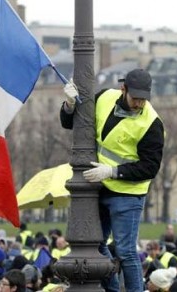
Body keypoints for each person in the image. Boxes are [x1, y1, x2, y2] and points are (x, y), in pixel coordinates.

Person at [60, 68, 165, 292]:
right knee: (95, 244)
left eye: (143, 99)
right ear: (122, 89)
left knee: (126, 251)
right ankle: (113, 289)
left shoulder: (152, 123)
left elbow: (150, 167)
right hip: (99, 187)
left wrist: (112, 171)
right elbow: (73, 124)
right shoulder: (104, 98)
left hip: (127, 193)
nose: (139, 104)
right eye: (135, 98)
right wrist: (69, 105)